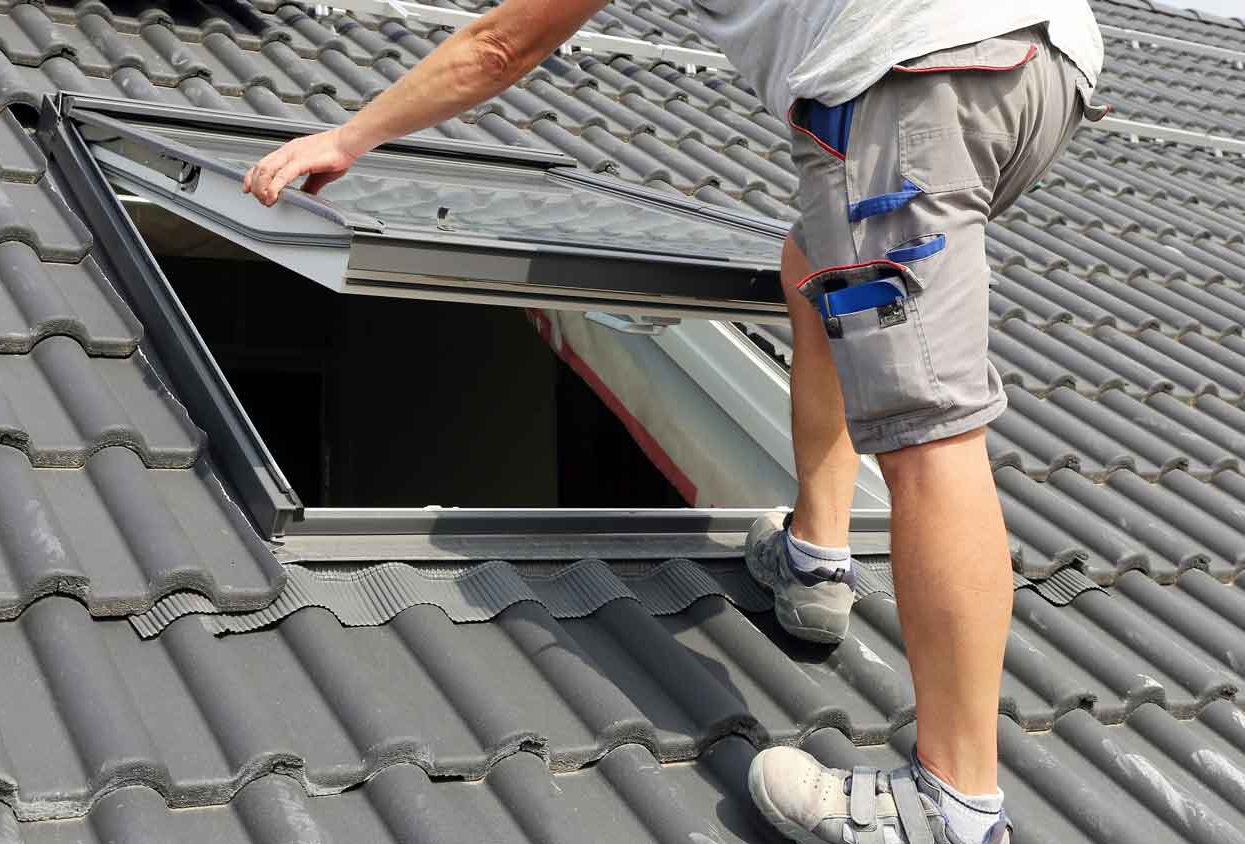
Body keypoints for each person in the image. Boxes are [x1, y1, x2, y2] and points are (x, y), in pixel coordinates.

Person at [244, 2, 1104, 842]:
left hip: (922, 74)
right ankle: (815, 555)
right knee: (815, 261)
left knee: (927, 428)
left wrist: (347, 136)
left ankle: (953, 805)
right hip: (1043, 64)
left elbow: (503, 45)